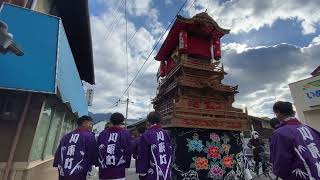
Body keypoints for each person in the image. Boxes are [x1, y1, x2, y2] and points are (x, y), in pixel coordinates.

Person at [270, 101, 320, 180]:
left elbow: (281, 165)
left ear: (278, 113)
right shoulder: (309, 129)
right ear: (293, 113)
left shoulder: (280, 133)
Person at [53, 115, 98, 180]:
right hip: (79, 173)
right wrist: (95, 162)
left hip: (63, 172)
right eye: (90, 124)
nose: (91, 126)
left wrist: (57, 163)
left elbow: (59, 153)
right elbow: (93, 153)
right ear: (84, 123)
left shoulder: (66, 136)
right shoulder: (89, 136)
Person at [136, 111, 173, 180]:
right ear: (160, 120)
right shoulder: (166, 133)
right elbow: (170, 150)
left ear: (148, 121)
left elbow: (143, 155)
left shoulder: (146, 135)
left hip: (152, 174)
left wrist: (142, 173)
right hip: (166, 172)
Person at [97, 112, 132, 180]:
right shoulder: (125, 133)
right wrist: (126, 165)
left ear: (111, 121)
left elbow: (99, 150)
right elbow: (128, 150)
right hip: (119, 170)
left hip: (104, 170)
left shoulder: (103, 133)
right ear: (122, 122)